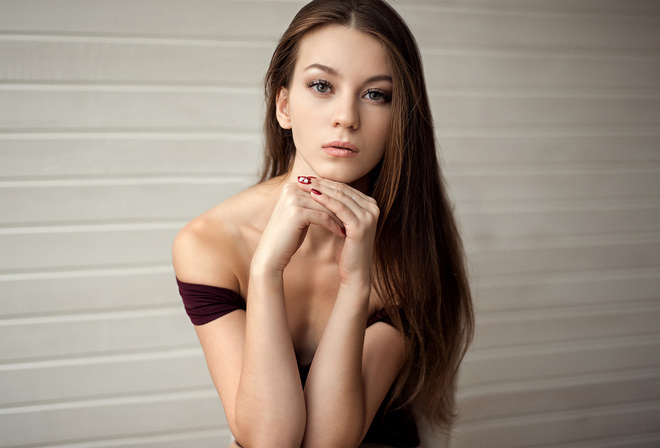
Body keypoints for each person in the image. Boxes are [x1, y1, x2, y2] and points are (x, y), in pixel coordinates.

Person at [172, 0, 474, 446]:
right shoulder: (210, 244)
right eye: (321, 85)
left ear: (400, 120)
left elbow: (329, 442)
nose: (347, 118)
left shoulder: (408, 244)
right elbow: (268, 439)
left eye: (376, 94)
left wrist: (357, 284)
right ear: (284, 106)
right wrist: (265, 271)